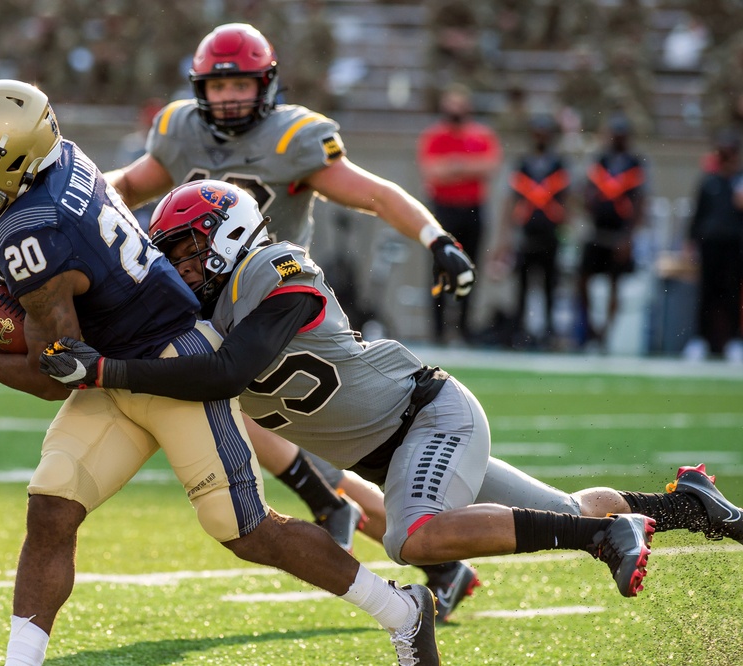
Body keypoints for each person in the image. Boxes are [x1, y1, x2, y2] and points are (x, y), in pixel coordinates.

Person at [0, 79, 440, 666]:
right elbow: (69, 253)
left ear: (15, 158)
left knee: (246, 531)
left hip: (169, 362)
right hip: (113, 365)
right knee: (52, 507)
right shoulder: (64, 160)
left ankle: (403, 610)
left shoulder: (27, 231)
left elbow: (54, 374)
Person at [40, 179, 743, 605]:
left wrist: (106, 372)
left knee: (415, 540)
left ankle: (602, 536)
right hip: (396, 450)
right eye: (176, 257)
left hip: (427, 419)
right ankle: (685, 504)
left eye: (190, 250)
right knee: (560, 510)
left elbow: (228, 373)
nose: (183, 268)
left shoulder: (276, 268)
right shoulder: (197, 311)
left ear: (225, 236)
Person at [102, 22, 481, 618]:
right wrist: (78, 207)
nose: (228, 97)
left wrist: (436, 237)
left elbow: (375, 194)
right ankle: (438, 562)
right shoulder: (179, 129)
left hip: (274, 301)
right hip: (208, 299)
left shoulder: (293, 138)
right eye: (217, 85)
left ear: (267, 84)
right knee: (322, 456)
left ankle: (330, 505)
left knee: (228, 401)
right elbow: (128, 183)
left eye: (241, 83)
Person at [417, 82, 502, 345]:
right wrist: (464, 168)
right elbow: (432, 171)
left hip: (473, 209)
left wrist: (454, 166)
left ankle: (464, 328)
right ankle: (438, 331)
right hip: (443, 210)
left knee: (469, 268)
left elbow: (489, 166)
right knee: (440, 268)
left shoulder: (481, 135)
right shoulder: (434, 136)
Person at [495, 114, 570, 349]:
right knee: (522, 287)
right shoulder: (521, 165)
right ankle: (520, 332)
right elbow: (509, 202)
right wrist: (505, 238)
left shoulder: (560, 165)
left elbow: (570, 201)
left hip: (551, 233)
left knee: (550, 286)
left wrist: (568, 232)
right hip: (526, 235)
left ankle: (548, 333)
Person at [574, 114, 647, 350]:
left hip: (619, 232)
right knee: (582, 278)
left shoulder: (635, 164)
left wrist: (629, 236)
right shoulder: (600, 161)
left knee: (615, 282)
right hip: (598, 230)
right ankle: (591, 327)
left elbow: (639, 201)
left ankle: (606, 332)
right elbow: (586, 189)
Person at [682, 129, 743, 362]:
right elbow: (698, 214)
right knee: (707, 293)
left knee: (732, 294)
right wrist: (690, 241)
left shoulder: (739, 180)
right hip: (710, 244)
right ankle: (700, 339)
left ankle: (734, 341)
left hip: (734, 244)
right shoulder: (709, 181)